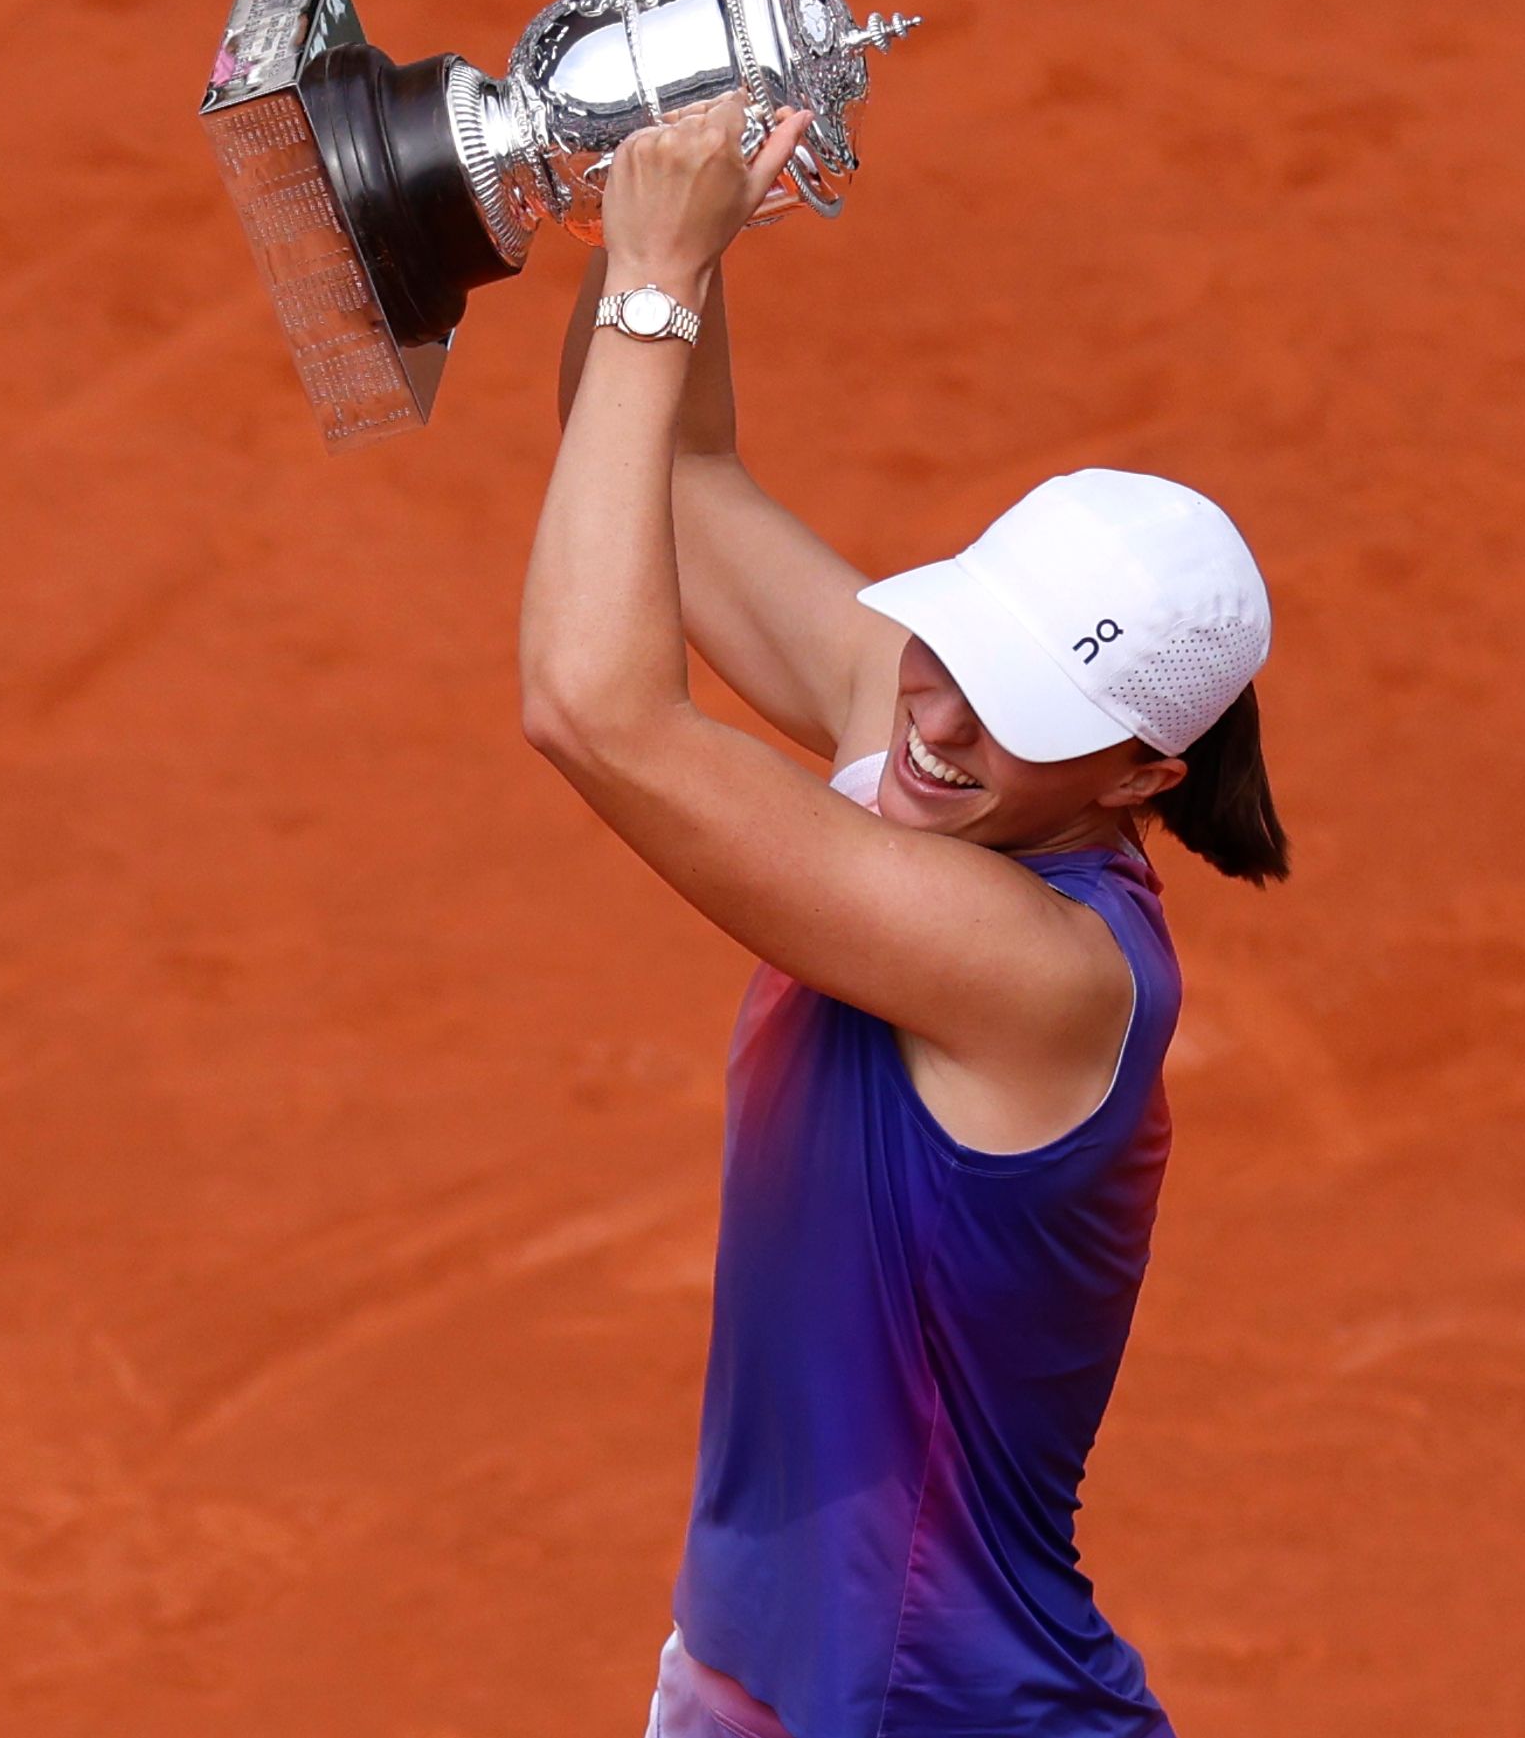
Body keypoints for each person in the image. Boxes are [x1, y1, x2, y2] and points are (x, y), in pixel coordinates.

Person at [522, 97, 1288, 1738]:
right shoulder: (948, 748)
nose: (938, 718)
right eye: (956, 644)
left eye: (1013, 701)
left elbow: (598, 708)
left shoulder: (1046, 972)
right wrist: (653, 197)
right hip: (766, 1686)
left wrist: (656, 274)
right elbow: (667, 466)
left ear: (1142, 774)